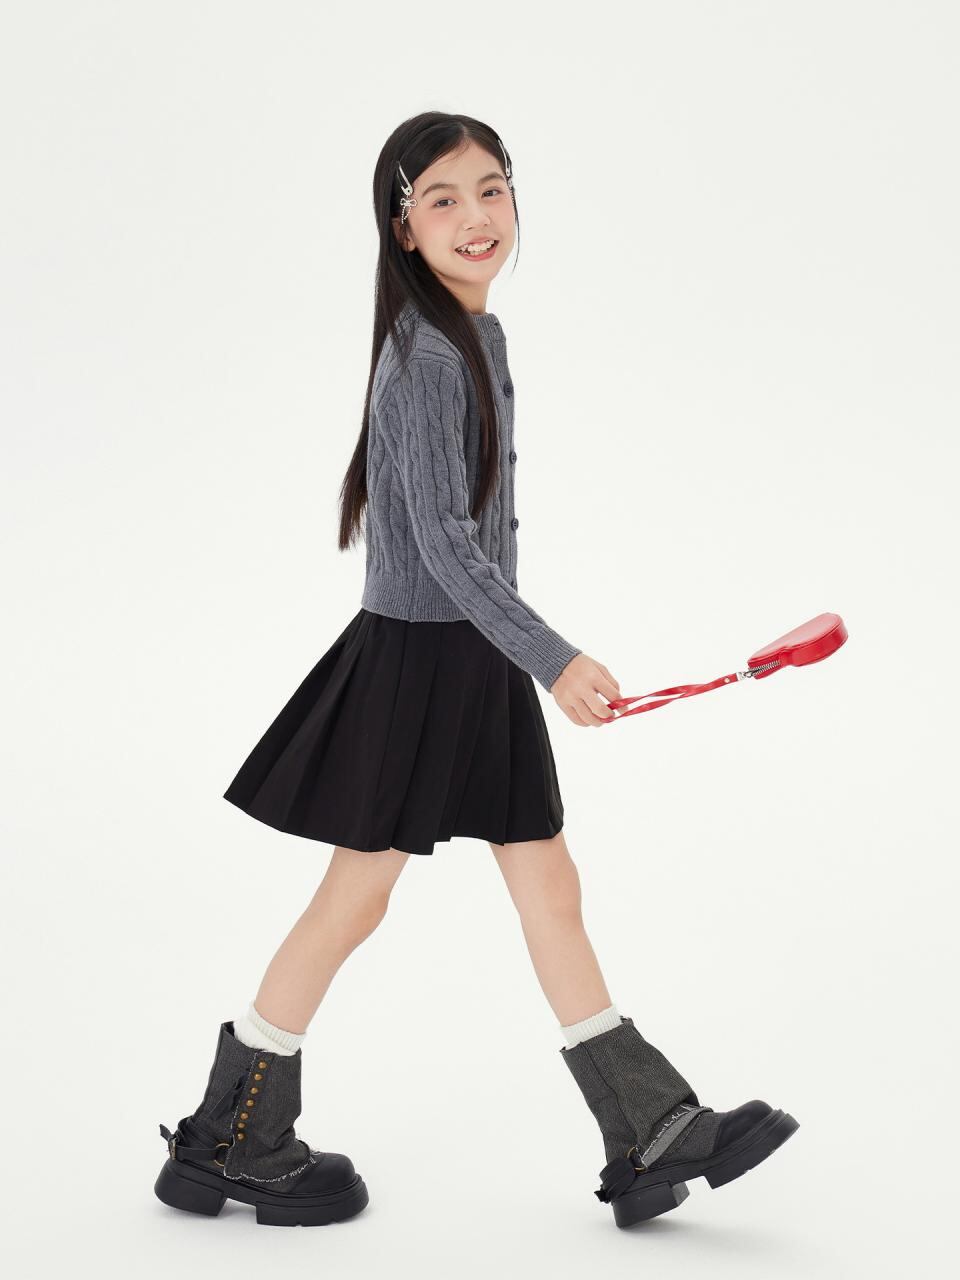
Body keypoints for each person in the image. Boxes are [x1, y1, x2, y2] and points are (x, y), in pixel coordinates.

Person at [154, 111, 798, 1231]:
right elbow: (447, 547)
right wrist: (555, 658)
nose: (474, 216)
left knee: (549, 884)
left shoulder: (474, 335)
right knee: (355, 899)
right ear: (402, 227)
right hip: (422, 660)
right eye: (442, 198)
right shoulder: (422, 357)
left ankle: (649, 1129)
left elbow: (466, 549)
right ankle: (230, 1133)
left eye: (491, 189)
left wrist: (525, 656)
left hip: (477, 652)